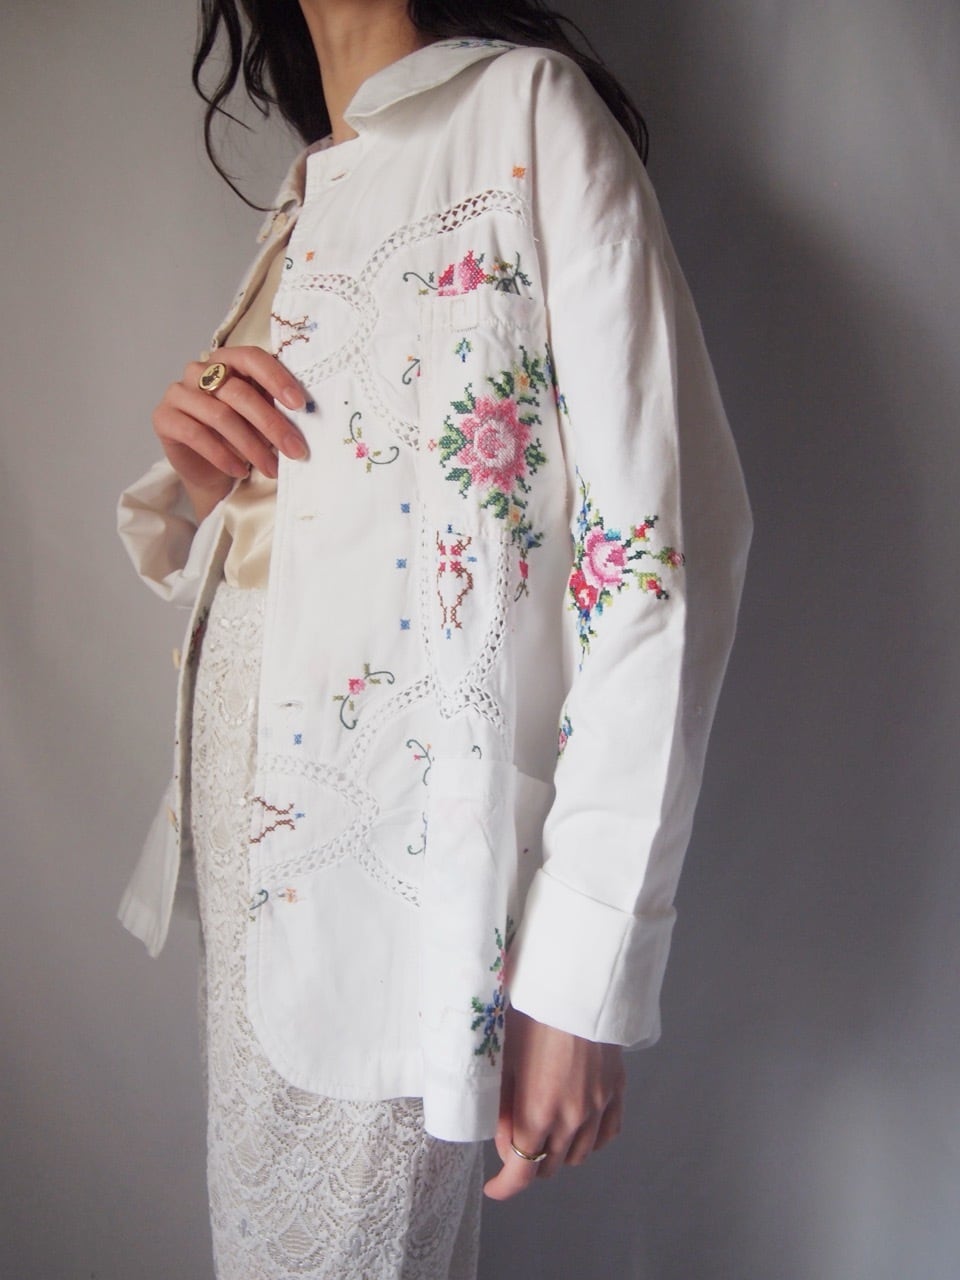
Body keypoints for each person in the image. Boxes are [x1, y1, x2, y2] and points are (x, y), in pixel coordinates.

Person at [116, 1, 752, 1276]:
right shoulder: (315, 183)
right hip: (251, 839)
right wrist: (194, 468)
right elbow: (322, 520)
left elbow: (654, 562)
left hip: (399, 867)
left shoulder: (526, 113)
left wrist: (582, 970)